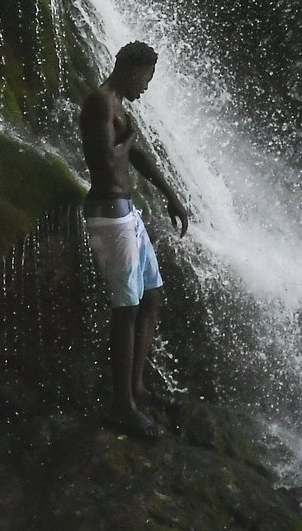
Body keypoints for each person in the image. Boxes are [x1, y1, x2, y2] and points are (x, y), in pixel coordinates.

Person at [78, 40, 190, 439]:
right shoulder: (100, 103)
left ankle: (137, 388)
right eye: (146, 78)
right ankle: (121, 406)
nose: (146, 87)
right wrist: (130, 136)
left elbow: (134, 156)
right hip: (109, 215)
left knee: (152, 295)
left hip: (127, 213)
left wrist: (171, 195)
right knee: (125, 310)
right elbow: (108, 160)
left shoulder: (117, 108)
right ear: (131, 69)